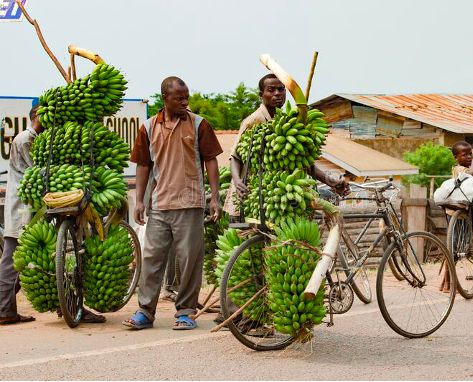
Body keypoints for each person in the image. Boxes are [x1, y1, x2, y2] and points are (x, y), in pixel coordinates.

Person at [123, 76, 223, 330]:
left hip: (190, 203)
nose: (184, 102)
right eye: (179, 98)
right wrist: (139, 201)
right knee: (152, 259)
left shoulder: (199, 124)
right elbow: (143, 165)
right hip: (160, 205)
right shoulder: (148, 127)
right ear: (164, 99)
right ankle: (145, 311)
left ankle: (186, 312)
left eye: (186, 97)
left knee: (190, 261)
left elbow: (211, 160)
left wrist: (215, 196)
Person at [0, 105, 105, 324]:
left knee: (37, 261)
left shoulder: (39, 139)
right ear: (37, 117)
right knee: (12, 261)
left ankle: (11, 309)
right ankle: (4, 310)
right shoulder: (26, 139)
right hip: (23, 208)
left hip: (34, 208)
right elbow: (41, 172)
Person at [223, 73, 349, 219]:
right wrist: (238, 181)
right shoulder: (254, 120)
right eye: (271, 90)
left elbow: (300, 162)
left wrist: (328, 180)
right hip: (254, 193)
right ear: (261, 94)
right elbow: (235, 157)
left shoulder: (287, 122)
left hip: (280, 193)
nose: (277, 94)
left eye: (281, 89)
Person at [439, 141, 473, 292]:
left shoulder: (466, 167)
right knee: (454, 249)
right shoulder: (458, 169)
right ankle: (448, 282)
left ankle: (445, 283)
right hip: (457, 213)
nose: (469, 157)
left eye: (471, 154)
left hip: (465, 212)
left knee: (456, 248)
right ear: (456, 157)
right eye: (465, 155)